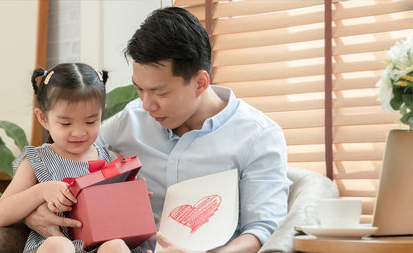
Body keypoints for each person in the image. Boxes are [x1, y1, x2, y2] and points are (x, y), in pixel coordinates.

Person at [25, 7, 291, 253]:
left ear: (200, 82)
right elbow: (61, 160)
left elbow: (263, 231)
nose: (147, 104)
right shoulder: (131, 120)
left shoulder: (258, 136)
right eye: (139, 89)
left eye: (159, 92)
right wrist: (32, 212)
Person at [0, 63, 140, 253]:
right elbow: (1, 214)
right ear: (43, 118)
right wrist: (41, 190)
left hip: (99, 246)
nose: (78, 132)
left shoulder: (112, 158)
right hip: (55, 245)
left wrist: (133, 199)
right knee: (59, 245)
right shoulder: (37, 160)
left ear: (101, 113)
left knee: (116, 246)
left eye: (90, 121)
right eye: (65, 123)